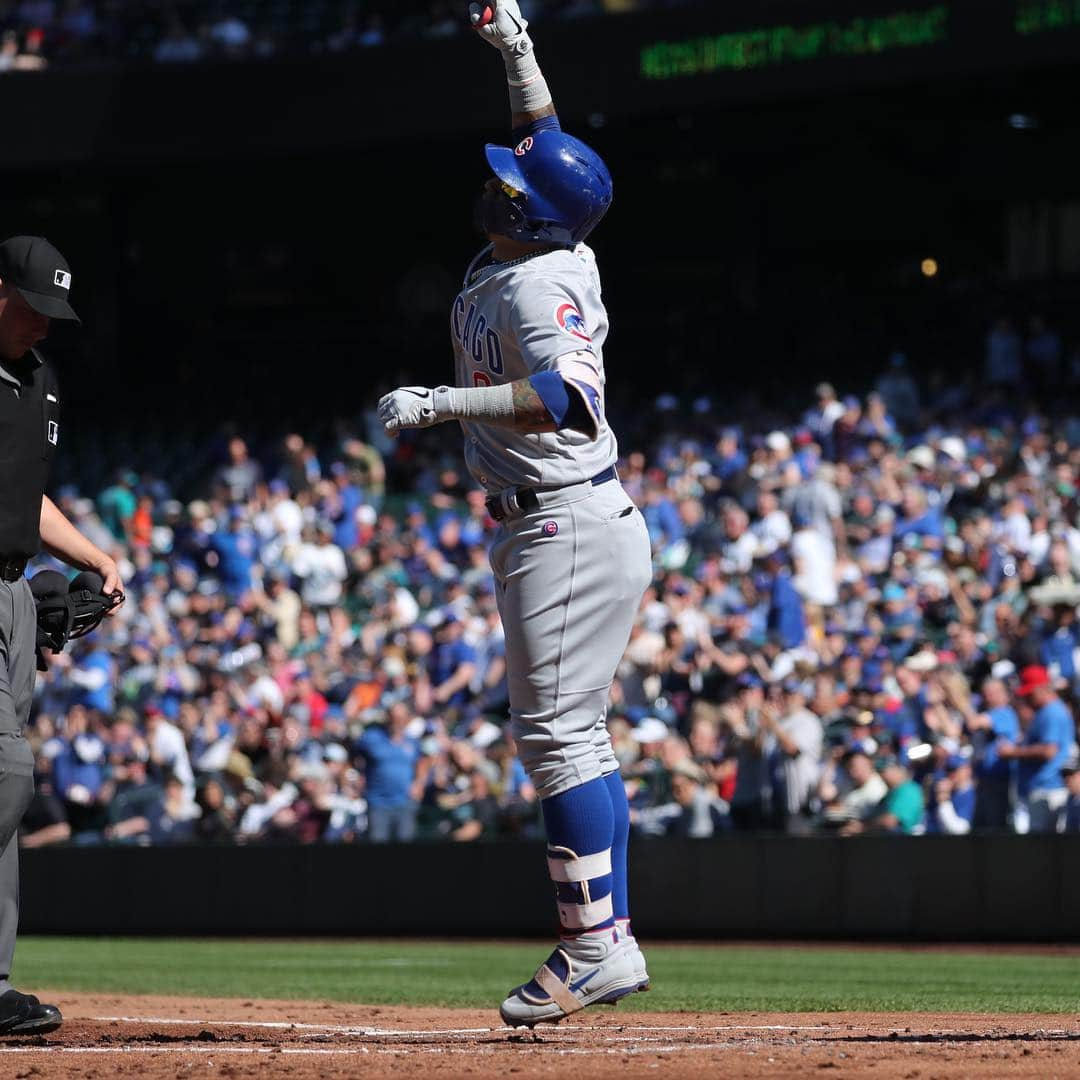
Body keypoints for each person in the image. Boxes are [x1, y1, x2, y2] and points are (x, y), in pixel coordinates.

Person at [377, 0, 652, 1026]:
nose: (500, 175)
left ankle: (592, 948)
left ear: (532, 216)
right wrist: (519, 46)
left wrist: (442, 401)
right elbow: (545, 144)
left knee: (559, 737)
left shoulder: (540, 287)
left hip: (562, 517)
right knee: (576, 736)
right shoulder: (538, 245)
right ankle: (606, 940)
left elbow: (573, 395)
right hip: (561, 519)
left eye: (513, 184)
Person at [0, 235, 123, 1035]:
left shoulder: (40, 379)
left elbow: (26, 500)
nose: (46, 326)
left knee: (6, 801)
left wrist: (94, 556)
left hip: (10, 592)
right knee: (5, 773)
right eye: (34, 308)